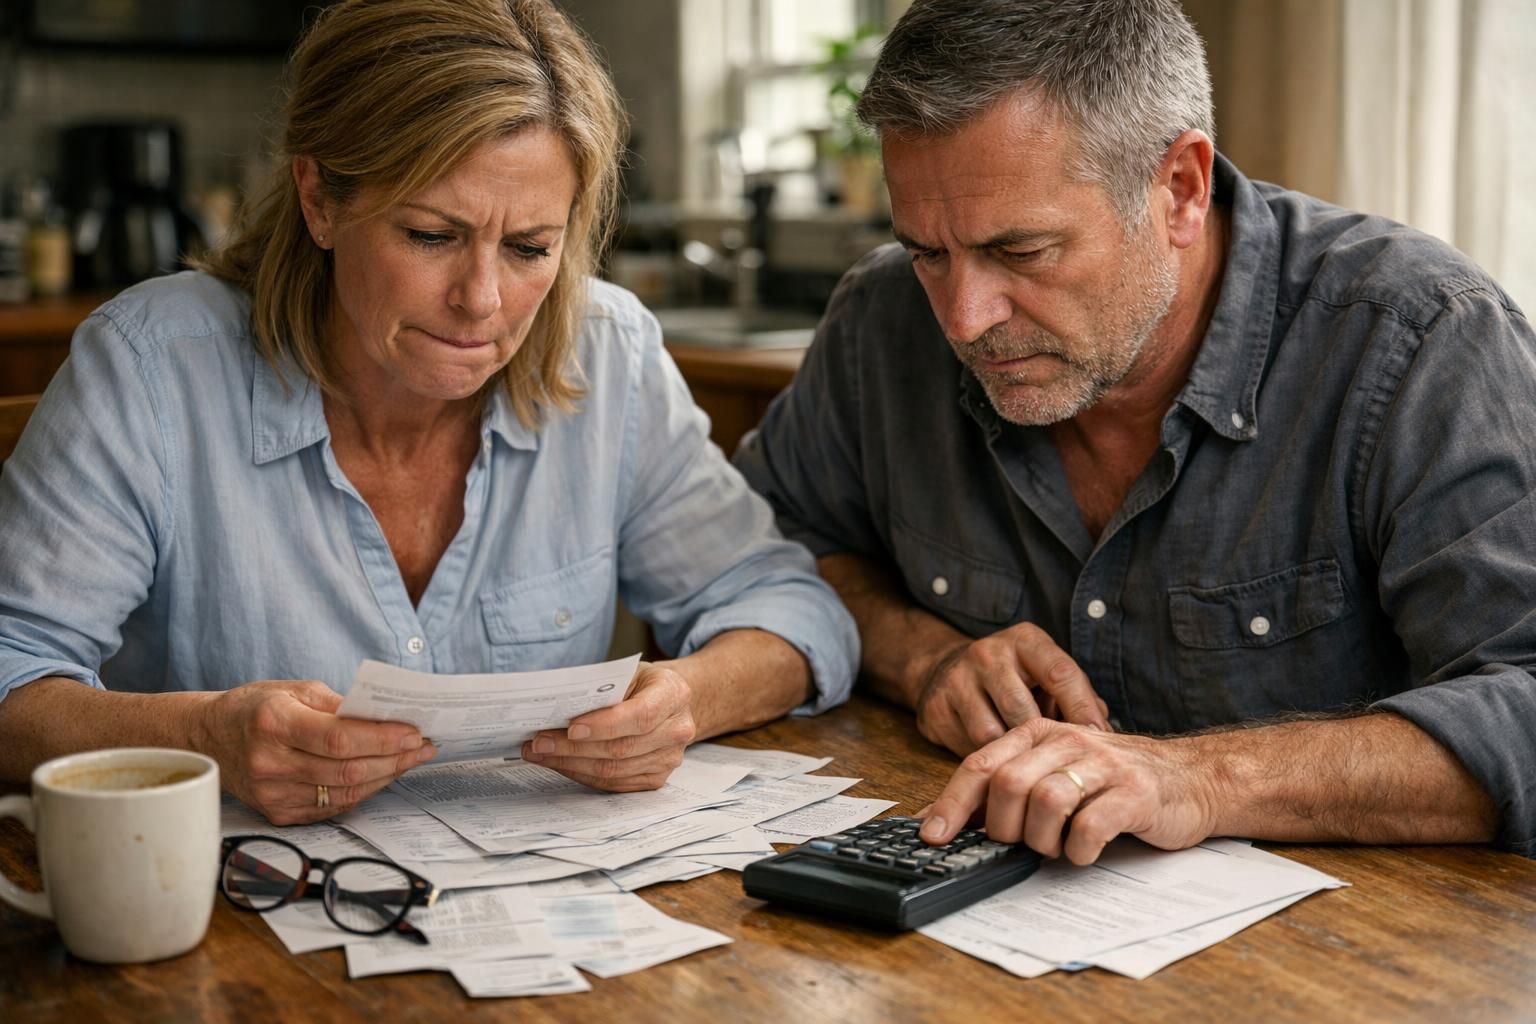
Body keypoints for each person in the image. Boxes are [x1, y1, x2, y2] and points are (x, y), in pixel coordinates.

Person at [0, 0, 857, 826]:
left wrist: (686, 701)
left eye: (529, 249)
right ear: (319, 200)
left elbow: (791, 610)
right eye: (431, 236)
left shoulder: (610, 354)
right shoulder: (152, 367)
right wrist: (201, 738)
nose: (482, 301)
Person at [734, 0, 1536, 865]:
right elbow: (761, 557)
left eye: (1024, 251)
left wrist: (1200, 780)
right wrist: (920, 655)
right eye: (929, 251)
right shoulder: (880, 321)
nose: (965, 321)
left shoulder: (1420, 340)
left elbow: (1524, 705)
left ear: (1181, 189)